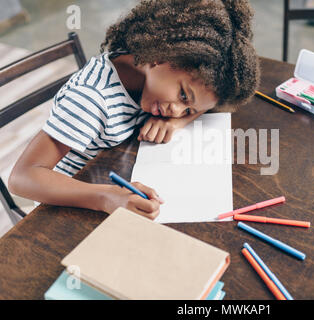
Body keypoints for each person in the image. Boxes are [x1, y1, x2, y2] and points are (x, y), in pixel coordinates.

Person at [8, 0, 260, 220]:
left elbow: (204, 103)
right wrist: (107, 197)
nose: (177, 110)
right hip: (69, 203)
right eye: (183, 95)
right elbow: (23, 177)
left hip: (112, 181)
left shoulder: (151, 76)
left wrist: (176, 123)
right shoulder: (91, 99)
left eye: (187, 110)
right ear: (163, 55)